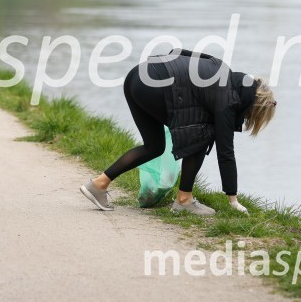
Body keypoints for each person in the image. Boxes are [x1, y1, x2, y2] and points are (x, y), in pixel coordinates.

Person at [80, 48, 277, 215]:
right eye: (250, 117)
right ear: (252, 107)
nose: (245, 120)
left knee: (154, 146)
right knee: (202, 136)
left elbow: (179, 52)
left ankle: (98, 184)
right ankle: (184, 200)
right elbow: (226, 152)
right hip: (153, 86)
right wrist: (233, 200)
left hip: (137, 76)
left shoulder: (221, 68)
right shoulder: (228, 100)